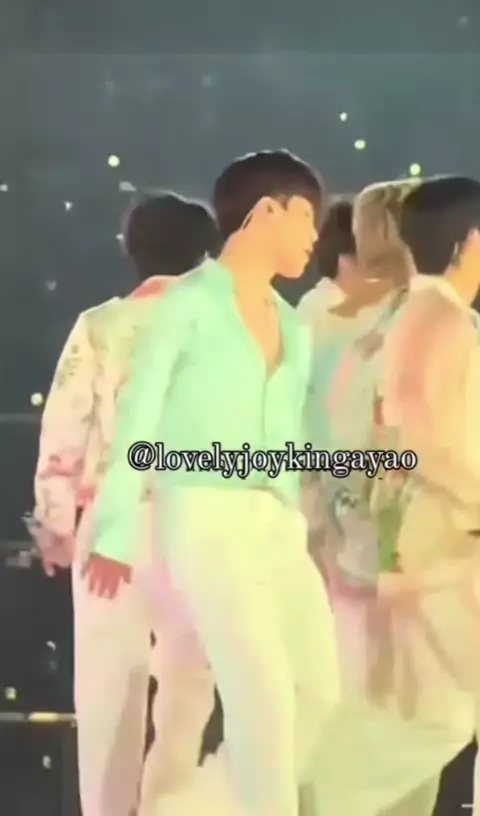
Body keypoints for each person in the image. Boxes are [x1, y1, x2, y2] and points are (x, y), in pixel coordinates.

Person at [83, 149, 341, 816]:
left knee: (318, 691)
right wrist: (114, 527)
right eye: (306, 217)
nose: (314, 236)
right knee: (263, 700)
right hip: (203, 514)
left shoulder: (291, 323)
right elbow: (138, 418)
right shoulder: (189, 304)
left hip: (276, 522)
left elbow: (291, 436)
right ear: (267, 211)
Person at [33, 192, 219, 816]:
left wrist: (56, 524)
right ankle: (173, 802)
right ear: (205, 254)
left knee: (108, 687)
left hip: (110, 522)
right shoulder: (223, 328)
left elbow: (65, 430)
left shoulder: (100, 326)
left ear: (131, 249)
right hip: (197, 519)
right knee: (189, 680)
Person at [375, 175, 480, 815]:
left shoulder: (421, 316)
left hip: (428, 540)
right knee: (418, 729)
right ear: (469, 242)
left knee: (420, 727)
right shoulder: (442, 320)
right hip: (447, 545)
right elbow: (426, 437)